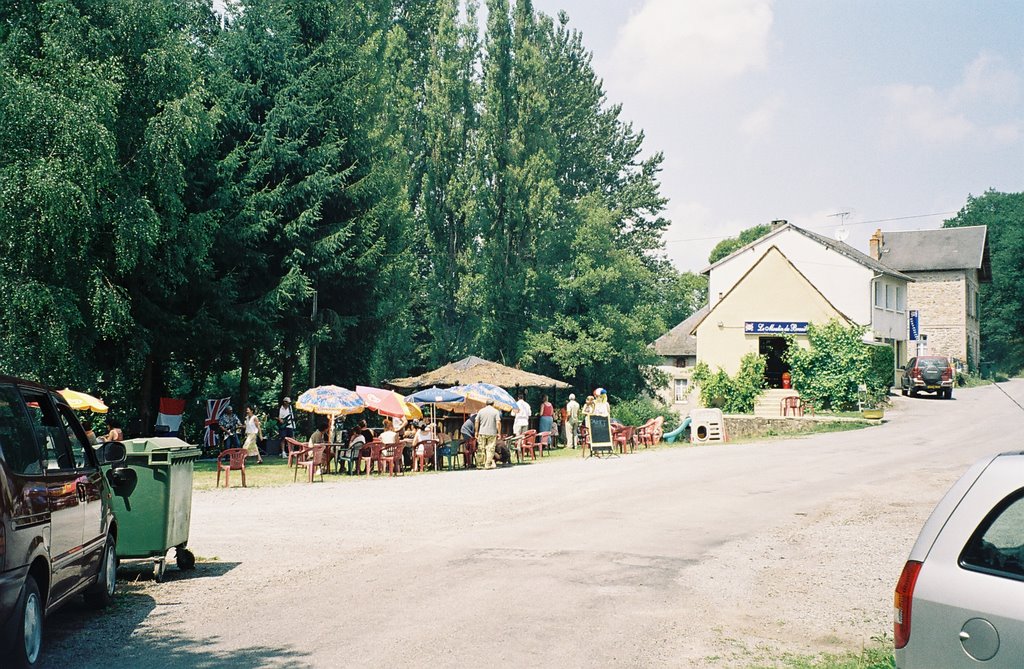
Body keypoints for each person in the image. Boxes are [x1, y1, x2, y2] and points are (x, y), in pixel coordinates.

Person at [474, 400, 502, 470]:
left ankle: (480, 465)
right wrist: (499, 432)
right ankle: (487, 464)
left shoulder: (481, 411)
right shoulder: (496, 411)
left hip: (482, 432)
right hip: (492, 433)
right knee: (490, 449)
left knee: (481, 448)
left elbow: (476, 421)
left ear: (486, 404)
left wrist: (476, 431)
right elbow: (498, 422)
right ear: (493, 404)